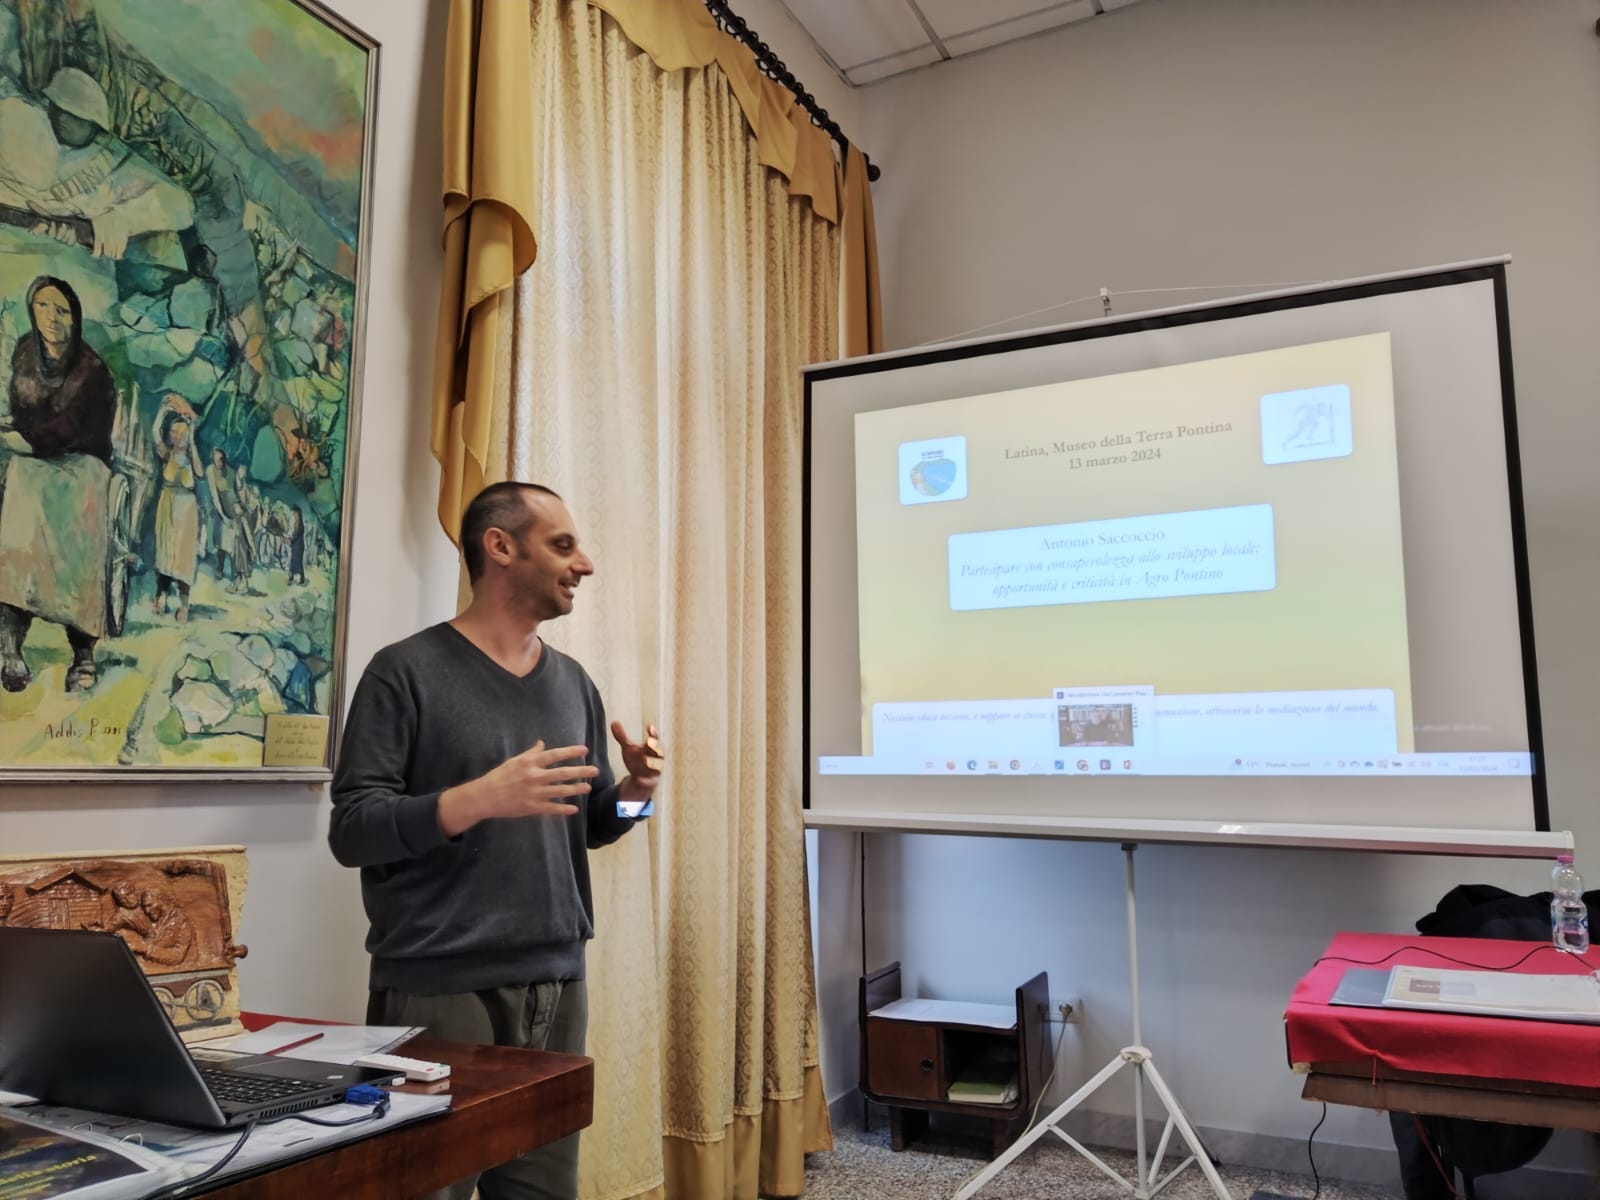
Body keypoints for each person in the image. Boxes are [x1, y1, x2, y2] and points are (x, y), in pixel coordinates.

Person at [329, 481, 663, 1200]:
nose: (585, 564)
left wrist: (639, 790)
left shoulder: (573, 683)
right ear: (501, 546)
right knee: (428, 1186)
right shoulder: (404, 672)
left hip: (558, 983)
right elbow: (352, 830)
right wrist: (478, 799)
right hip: (439, 988)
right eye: (563, 545)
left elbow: (596, 825)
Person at [0, 276, 117, 693]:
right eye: (44, 307)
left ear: (75, 317)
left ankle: (83, 652)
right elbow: (21, 408)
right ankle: (10, 644)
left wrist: (24, 439)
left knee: (78, 516)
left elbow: (73, 427)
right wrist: (15, 430)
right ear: (32, 310)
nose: (52, 318)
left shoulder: (92, 371)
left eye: (62, 310)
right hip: (35, 459)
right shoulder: (24, 354)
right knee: (19, 493)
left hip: (82, 460)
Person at [151, 395, 204, 622]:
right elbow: (155, 434)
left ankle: (184, 604)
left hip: (186, 509)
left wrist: (192, 440)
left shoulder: (191, 458)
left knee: (184, 557)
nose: (176, 436)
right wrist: (163, 412)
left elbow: (200, 473)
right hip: (167, 505)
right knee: (165, 552)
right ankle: (161, 594)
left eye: (180, 433)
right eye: (174, 432)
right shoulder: (167, 454)